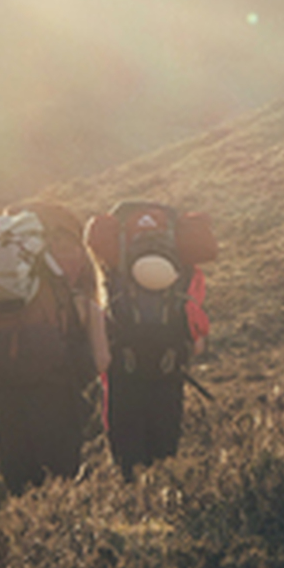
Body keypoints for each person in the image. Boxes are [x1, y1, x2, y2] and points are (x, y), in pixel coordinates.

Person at [0, 198, 104, 492]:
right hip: (54, 388)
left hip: (1, 388)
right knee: (62, 478)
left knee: (18, 476)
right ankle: (60, 528)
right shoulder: (54, 262)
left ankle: (25, 527)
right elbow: (99, 356)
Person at [84, 201, 216, 475]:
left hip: (123, 367)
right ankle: (162, 496)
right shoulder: (180, 255)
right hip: (169, 367)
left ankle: (131, 498)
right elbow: (196, 324)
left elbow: (97, 303)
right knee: (165, 449)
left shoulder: (114, 254)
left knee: (127, 448)